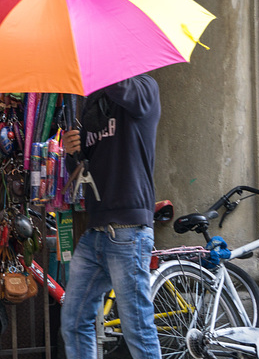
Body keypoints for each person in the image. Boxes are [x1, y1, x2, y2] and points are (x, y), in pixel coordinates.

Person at [60, 74, 162, 359]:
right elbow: (85, 167)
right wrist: (73, 151)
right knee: (74, 321)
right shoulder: (94, 100)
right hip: (96, 231)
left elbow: (120, 85)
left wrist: (93, 61)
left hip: (128, 232)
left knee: (137, 329)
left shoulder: (143, 89)